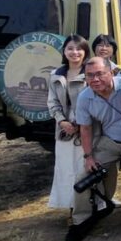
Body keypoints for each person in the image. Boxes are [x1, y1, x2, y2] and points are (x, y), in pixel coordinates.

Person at [67, 57, 121, 241]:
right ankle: (80, 219)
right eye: (90, 75)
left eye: (100, 74)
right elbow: (85, 128)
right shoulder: (85, 97)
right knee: (83, 177)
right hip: (110, 141)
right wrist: (89, 157)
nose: (95, 79)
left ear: (111, 72)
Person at [46, 35, 91, 224]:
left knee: (84, 168)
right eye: (70, 48)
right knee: (66, 169)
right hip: (64, 131)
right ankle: (72, 207)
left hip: (87, 129)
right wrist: (62, 121)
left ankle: (90, 206)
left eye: (79, 49)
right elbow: (52, 102)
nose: (75, 52)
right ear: (64, 51)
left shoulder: (90, 72)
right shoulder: (56, 74)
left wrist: (81, 124)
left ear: (85, 52)